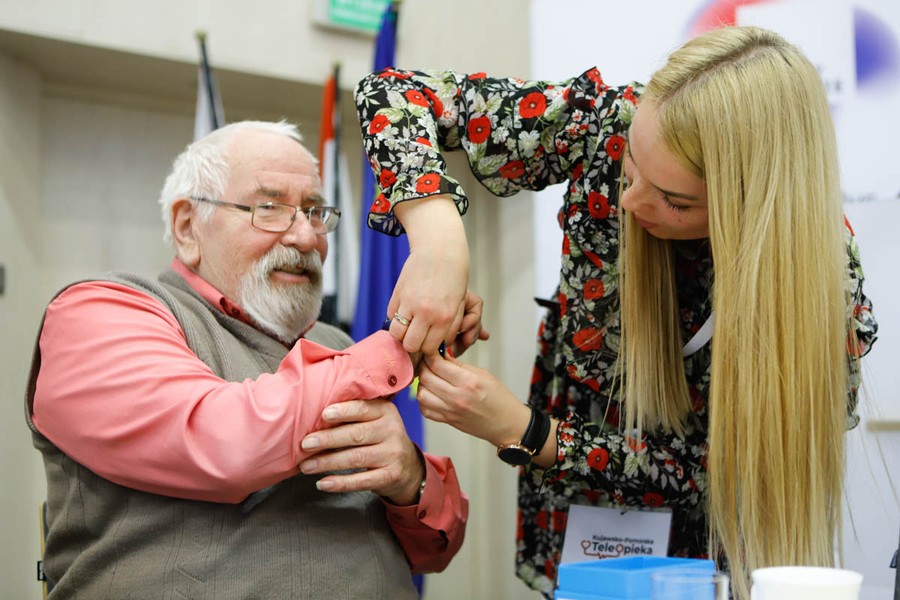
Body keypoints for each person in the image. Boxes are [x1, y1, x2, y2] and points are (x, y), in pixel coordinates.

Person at [354, 25, 878, 600]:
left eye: (674, 200)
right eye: (630, 167)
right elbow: (393, 95)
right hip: (583, 539)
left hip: (721, 552)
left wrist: (528, 432)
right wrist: (440, 246)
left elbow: (728, 472)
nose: (629, 201)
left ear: (751, 206)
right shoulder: (604, 124)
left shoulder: (821, 279)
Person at [24, 120, 470, 599]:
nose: (306, 237)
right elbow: (223, 445)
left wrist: (410, 477)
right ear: (187, 226)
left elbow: (435, 550)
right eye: (269, 208)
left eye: (315, 211)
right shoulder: (98, 312)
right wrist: (404, 338)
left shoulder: (339, 344)